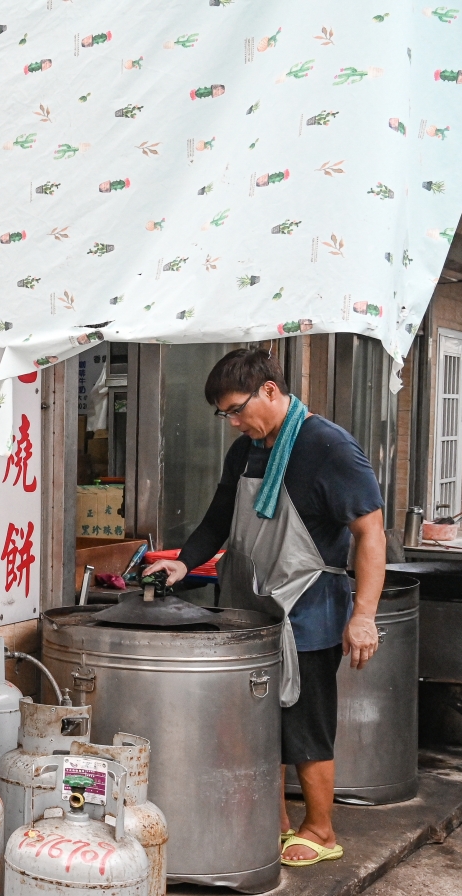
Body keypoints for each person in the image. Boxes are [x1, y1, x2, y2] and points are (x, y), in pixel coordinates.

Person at [144, 348, 383, 869]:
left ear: (269, 391)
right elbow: (219, 517)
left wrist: (363, 614)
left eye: (235, 410)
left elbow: (371, 532)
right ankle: (270, 822)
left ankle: (320, 828)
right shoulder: (248, 448)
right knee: (253, 724)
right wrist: (184, 564)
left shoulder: (329, 447)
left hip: (308, 609)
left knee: (305, 724)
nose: (232, 423)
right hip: (248, 606)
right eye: (224, 414)